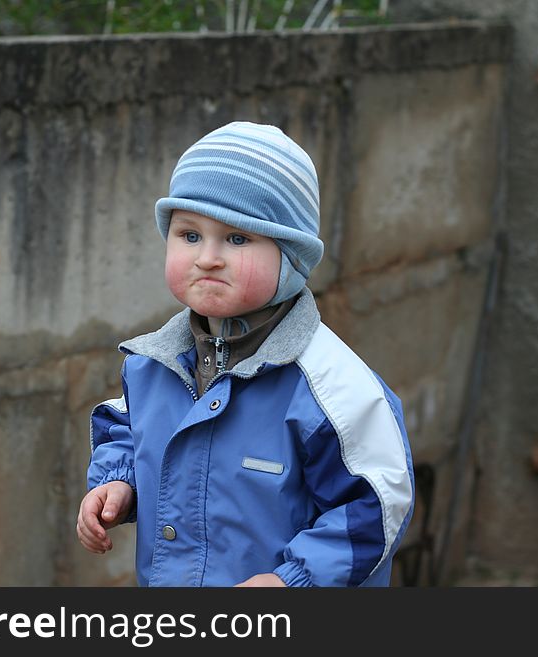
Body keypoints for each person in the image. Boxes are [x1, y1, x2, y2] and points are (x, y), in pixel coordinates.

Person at [76, 121, 414, 587]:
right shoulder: (152, 364)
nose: (208, 257)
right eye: (189, 235)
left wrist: (291, 580)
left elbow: (376, 505)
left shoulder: (332, 388)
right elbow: (132, 427)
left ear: (292, 257)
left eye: (237, 239)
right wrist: (119, 482)